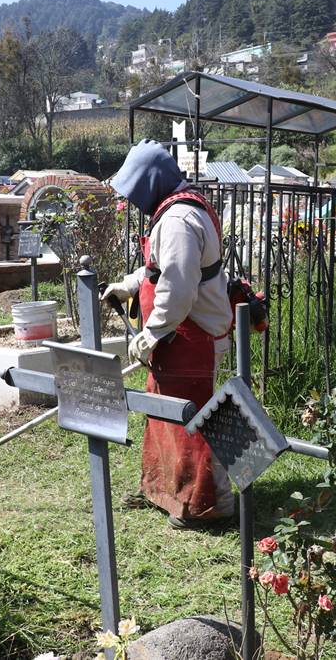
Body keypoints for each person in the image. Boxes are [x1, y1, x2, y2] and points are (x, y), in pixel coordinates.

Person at [102, 140, 235, 529]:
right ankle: (167, 493)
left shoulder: (178, 220)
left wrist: (151, 333)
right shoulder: (177, 212)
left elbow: (177, 288)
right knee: (164, 418)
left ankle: (208, 506)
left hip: (192, 337)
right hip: (178, 337)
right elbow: (158, 269)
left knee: (193, 423)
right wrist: (128, 284)